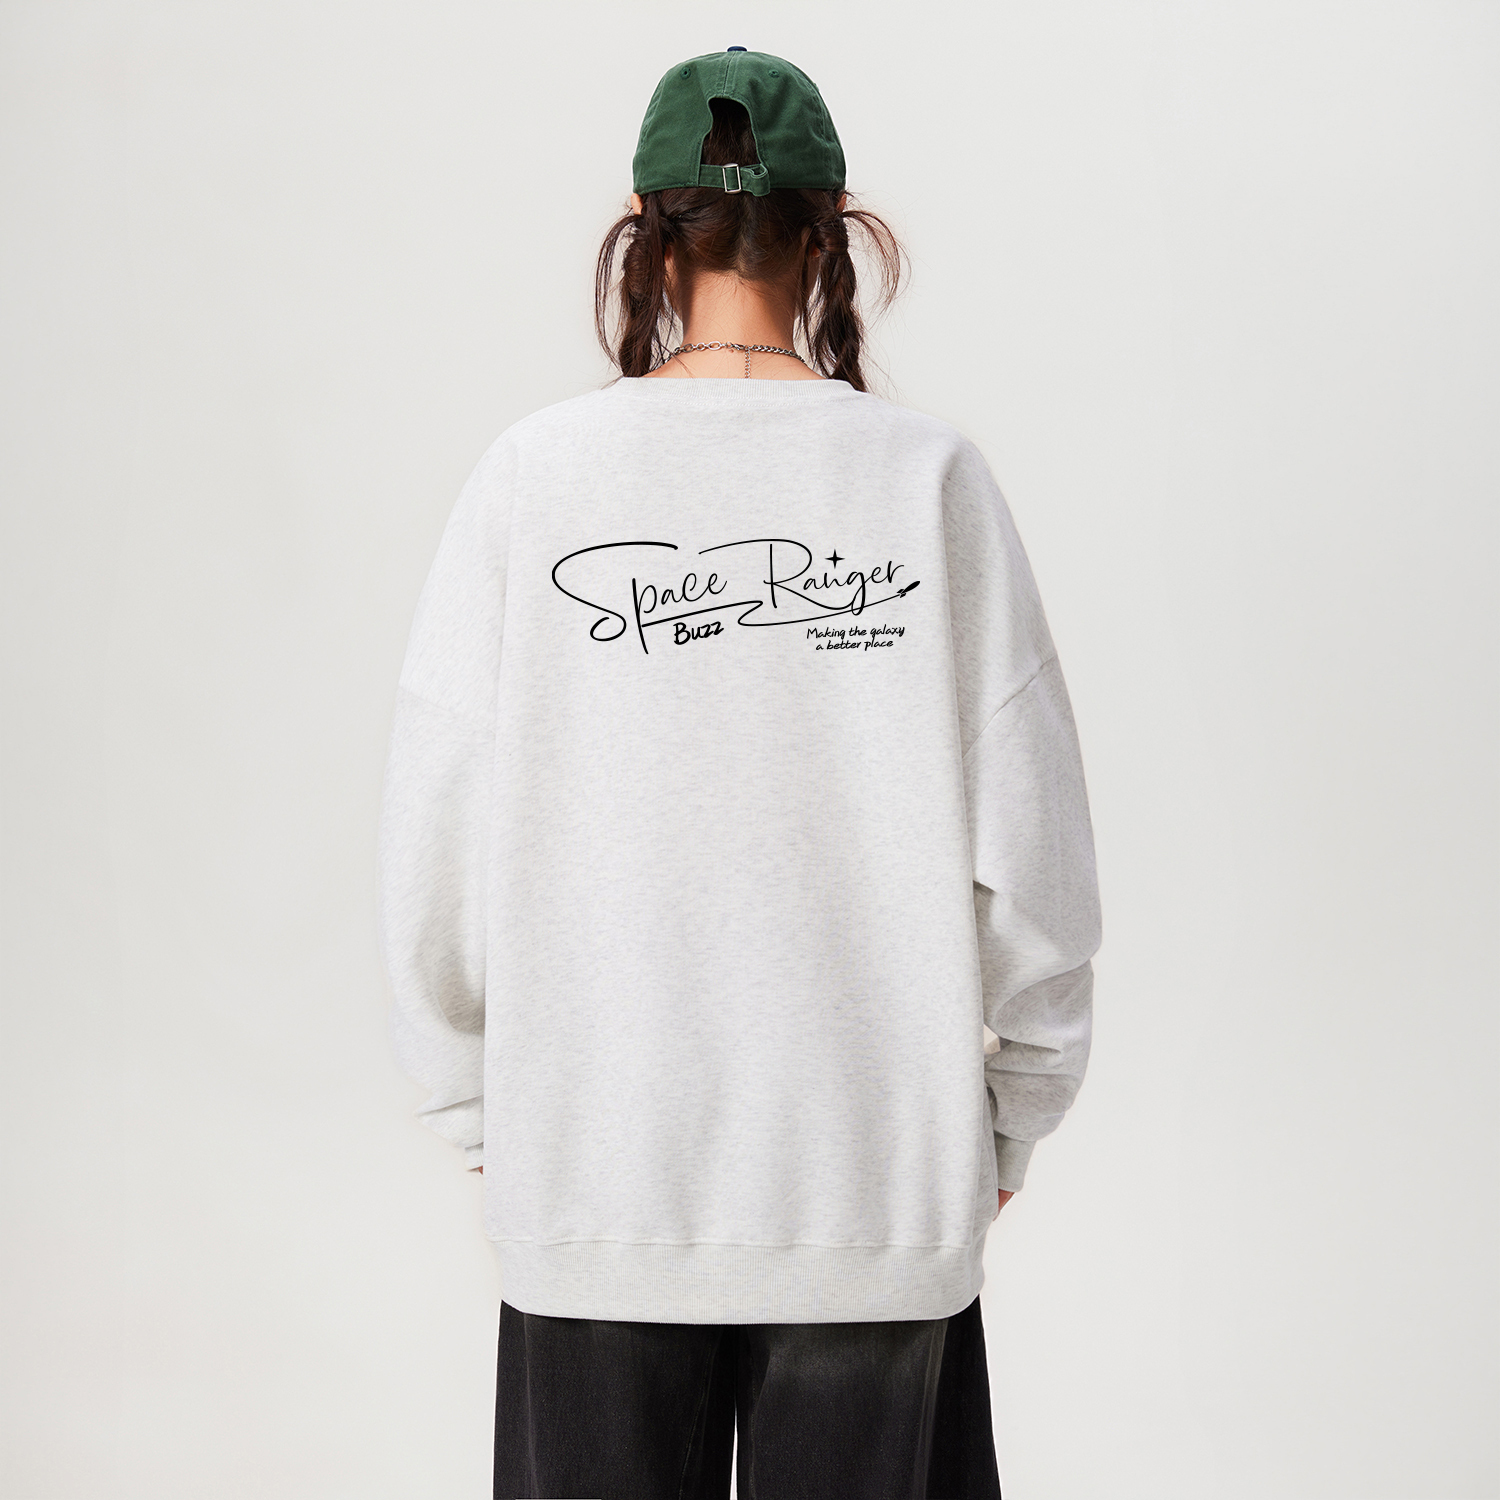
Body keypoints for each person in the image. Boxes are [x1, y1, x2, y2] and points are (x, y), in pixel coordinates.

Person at [377, 46, 1103, 1500]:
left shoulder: (537, 477)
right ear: (832, 237)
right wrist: (1013, 1110)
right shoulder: (927, 481)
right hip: (872, 1188)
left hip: (597, 1177)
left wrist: (481, 1111)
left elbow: (436, 838)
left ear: (646, 239)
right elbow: (1036, 855)